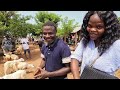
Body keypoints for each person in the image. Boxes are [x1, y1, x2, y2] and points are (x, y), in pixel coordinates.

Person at [70, 11, 120, 79]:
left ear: (108, 28)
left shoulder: (116, 45)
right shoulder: (85, 40)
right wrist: (76, 77)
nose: (92, 30)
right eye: (89, 26)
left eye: (99, 27)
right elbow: (75, 58)